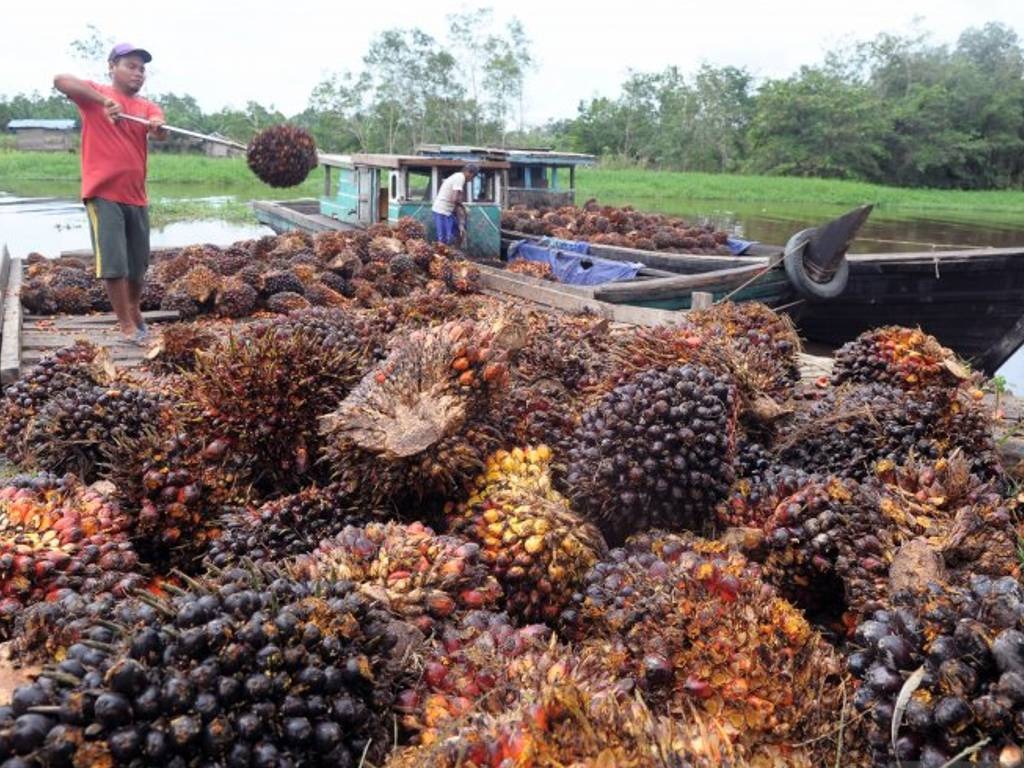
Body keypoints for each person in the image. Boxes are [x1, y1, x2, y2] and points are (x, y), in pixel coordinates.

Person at [54, 43, 167, 344]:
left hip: (136, 196)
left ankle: (133, 306)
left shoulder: (146, 107)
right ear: (112, 67)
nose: (138, 73)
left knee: (139, 263)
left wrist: (158, 127)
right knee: (114, 261)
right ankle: (125, 323)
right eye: (130, 65)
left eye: (142, 69)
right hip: (103, 193)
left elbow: (159, 124)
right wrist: (103, 101)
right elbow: (60, 80)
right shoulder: (94, 95)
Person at [432, 163, 479, 246]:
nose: (471, 180)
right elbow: (455, 199)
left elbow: (456, 200)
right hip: (442, 210)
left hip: (447, 212)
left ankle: (453, 254)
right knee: (443, 239)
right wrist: (463, 208)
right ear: (469, 173)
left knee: (457, 233)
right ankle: (441, 257)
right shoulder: (460, 178)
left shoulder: (458, 177)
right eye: (473, 177)